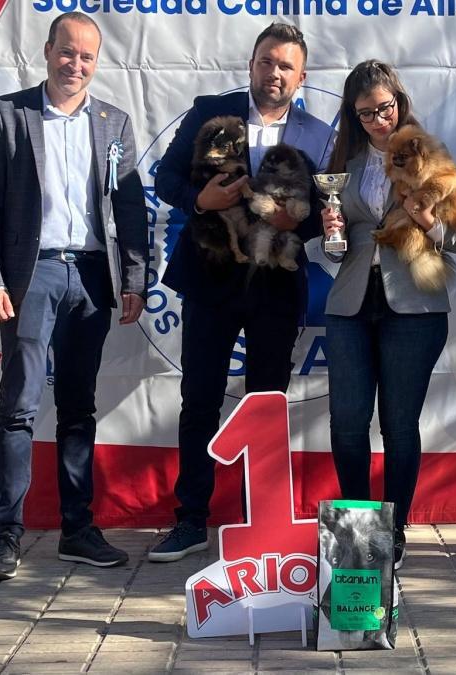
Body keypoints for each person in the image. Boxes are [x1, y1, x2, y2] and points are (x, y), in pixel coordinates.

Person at [0, 11, 147, 581]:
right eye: (67, 52)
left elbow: (129, 208)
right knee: (19, 406)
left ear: (97, 63)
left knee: (78, 408)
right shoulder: (7, 114)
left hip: (92, 278)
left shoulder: (114, 122)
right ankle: (6, 536)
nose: (76, 64)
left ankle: (77, 531)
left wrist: (136, 279)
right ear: (47, 52)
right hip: (32, 276)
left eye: (87, 57)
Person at [149, 23, 335, 562]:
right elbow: (165, 180)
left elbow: (330, 217)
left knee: (267, 405)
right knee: (199, 400)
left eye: (284, 66)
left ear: (301, 77)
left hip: (276, 286)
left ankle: (264, 522)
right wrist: (200, 201)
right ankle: (190, 521)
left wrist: (297, 222)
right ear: (251, 64)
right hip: (210, 281)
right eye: (265, 62)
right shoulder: (211, 110)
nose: (273, 73)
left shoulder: (320, 134)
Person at [322, 60, 456, 570]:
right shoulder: (341, 158)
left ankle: (395, 530)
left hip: (414, 306)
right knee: (346, 424)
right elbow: (330, 251)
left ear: (400, 103)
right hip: (348, 304)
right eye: (366, 113)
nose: (379, 121)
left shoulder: (428, 154)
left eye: (385, 108)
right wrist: (330, 235)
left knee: (399, 425)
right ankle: (357, 530)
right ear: (353, 115)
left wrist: (428, 220)